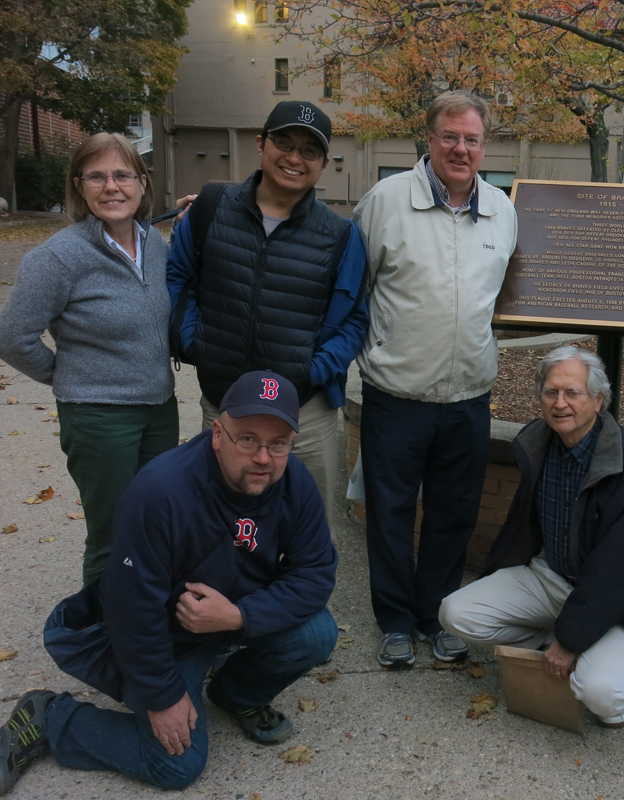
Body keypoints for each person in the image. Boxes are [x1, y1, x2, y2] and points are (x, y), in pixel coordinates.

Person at [0, 371, 338, 794]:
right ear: (218, 433)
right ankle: (50, 716)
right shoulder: (161, 493)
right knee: (177, 767)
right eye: (247, 439)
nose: (263, 458)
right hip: (168, 638)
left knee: (318, 634)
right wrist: (163, 696)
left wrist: (237, 616)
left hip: (228, 621)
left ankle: (236, 694)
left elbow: (316, 573)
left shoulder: (295, 483)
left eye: (278, 443)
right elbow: (129, 609)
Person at [353, 89, 518, 667]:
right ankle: (396, 621)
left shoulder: (502, 208)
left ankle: (438, 615)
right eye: (450, 136)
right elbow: (357, 288)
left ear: (484, 145)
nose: (461, 148)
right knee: (391, 514)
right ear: (428, 139)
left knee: (454, 514)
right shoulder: (385, 201)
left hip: (468, 398)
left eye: (472, 139)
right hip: (396, 396)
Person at [438, 347, 624, 727]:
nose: (559, 403)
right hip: (548, 577)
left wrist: (570, 642)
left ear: (598, 400)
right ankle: (558, 633)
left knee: (603, 697)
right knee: (455, 613)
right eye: (551, 392)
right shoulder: (539, 441)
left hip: (620, 601)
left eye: (572, 393)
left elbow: (619, 570)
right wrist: (565, 636)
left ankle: (606, 673)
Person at [0, 133, 192, 585]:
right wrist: (69, 377)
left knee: (154, 526)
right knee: (113, 537)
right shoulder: (58, 258)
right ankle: (104, 639)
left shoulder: (156, 245)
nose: (112, 186)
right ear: (79, 187)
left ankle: (147, 624)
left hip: (158, 411)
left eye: (123, 175)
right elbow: (11, 337)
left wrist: (197, 220)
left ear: (143, 184)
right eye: (97, 176)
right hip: (100, 419)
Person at [167, 100, 368, 520]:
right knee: (220, 526)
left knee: (307, 533)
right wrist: (193, 343)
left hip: (303, 416)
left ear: (323, 162)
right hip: (224, 405)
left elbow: (354, 318)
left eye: (309, 150)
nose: (294, 158)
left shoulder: (340, 235)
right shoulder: (209, 209)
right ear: (261, 144)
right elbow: (178, 278)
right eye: (284, 142)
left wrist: (311, 369)